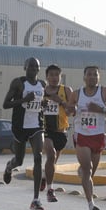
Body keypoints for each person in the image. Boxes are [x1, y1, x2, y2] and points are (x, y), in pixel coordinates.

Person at [68, 65, 106, 210]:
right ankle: (91, 205)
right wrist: (71, 109)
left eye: (95, 75)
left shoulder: (105, 92)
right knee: (88, 169)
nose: (92, 77)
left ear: (99, 77)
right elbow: (69, 111)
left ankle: (83, 175)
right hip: (82, 135)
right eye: (89, 74)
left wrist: (100, 110)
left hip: (98, 136)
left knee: (90, 173)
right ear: (84, 77)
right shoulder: (76, 94)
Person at [2, 57, 47, 210]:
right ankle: (9, 168)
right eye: (30, 66)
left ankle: (35, 200)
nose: (33, 68)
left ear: (39, 69)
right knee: (19, 161)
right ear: (25, 67)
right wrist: (24, 99)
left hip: (36, 125)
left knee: (38, 157)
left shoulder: (42, 85)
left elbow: (40, 104)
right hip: (20, 126)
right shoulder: (18, 83)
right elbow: (5, 104)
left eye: (36, 66)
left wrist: (43, 105)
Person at [40, 64, 73, 202]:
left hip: (61, 131)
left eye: (57, 75)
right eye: (51, 75)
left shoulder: (66, 90)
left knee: (52, 161)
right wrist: (42, 105)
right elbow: (34, 109)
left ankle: (43, 176)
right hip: (46, 130)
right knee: (51, 155)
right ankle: (50, 190)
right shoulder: (41, 91)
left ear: (60, 76)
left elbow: (72, 112)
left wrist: (61, 102)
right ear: (46, 77)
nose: (54, 78)